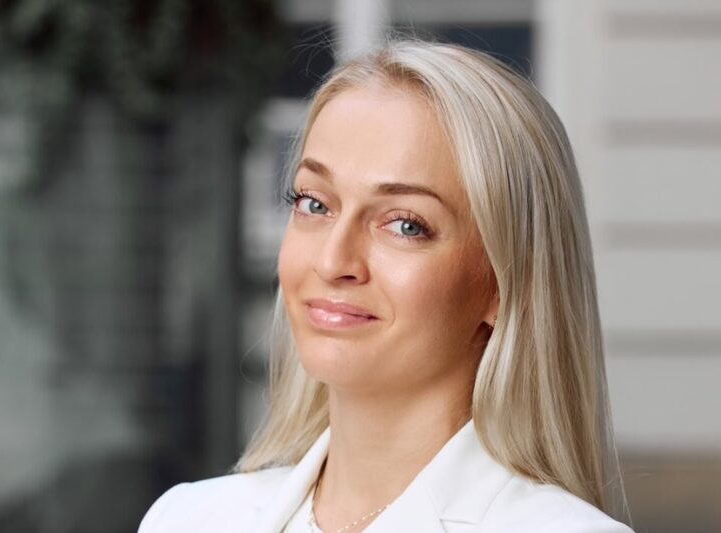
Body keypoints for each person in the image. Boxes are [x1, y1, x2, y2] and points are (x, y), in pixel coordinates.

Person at [138, 40, 635, 533]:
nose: (333, 262)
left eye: (405, 225)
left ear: (502, 285)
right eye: (314, 203)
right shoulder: (185, 519)